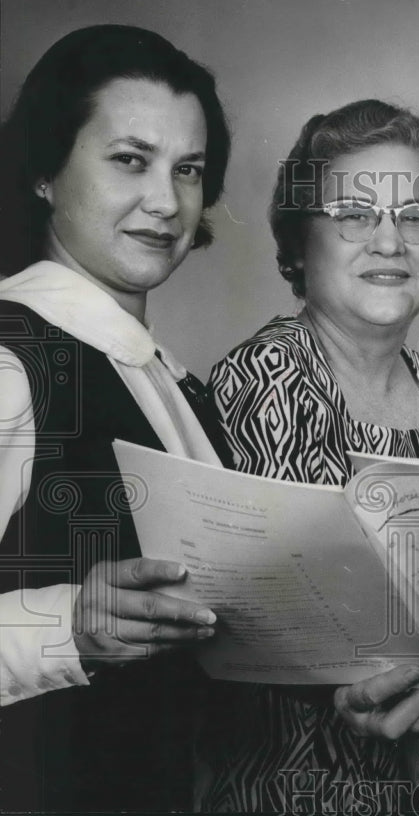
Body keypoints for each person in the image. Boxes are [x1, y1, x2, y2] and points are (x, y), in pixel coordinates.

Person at [201, 99, 419, 812]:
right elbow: (291, 608)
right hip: (291, 788)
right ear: (298, 244)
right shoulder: (265, 375)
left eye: (418, 218)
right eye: (355, 214)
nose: (390, 241)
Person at [0, 24, 232, 811]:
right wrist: (68, 623)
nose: (168, 203)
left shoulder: (166, 379)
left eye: (189, 169)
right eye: (130, 160)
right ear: (43, 171)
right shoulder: (12, 357)